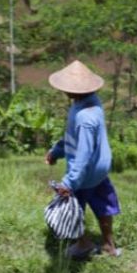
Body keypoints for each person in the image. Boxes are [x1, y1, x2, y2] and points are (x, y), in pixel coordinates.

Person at [45, 60, 122, 259]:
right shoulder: (89, 102)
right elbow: (73, 139)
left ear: (74, 91)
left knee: (73, 208)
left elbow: (83, 154)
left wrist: (70, 182)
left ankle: (83, 243)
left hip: (86, 171)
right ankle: (108, 244)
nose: (64, 92)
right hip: (100, 168)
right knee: (102, 203)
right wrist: (57, 151)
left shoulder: (85, 118)